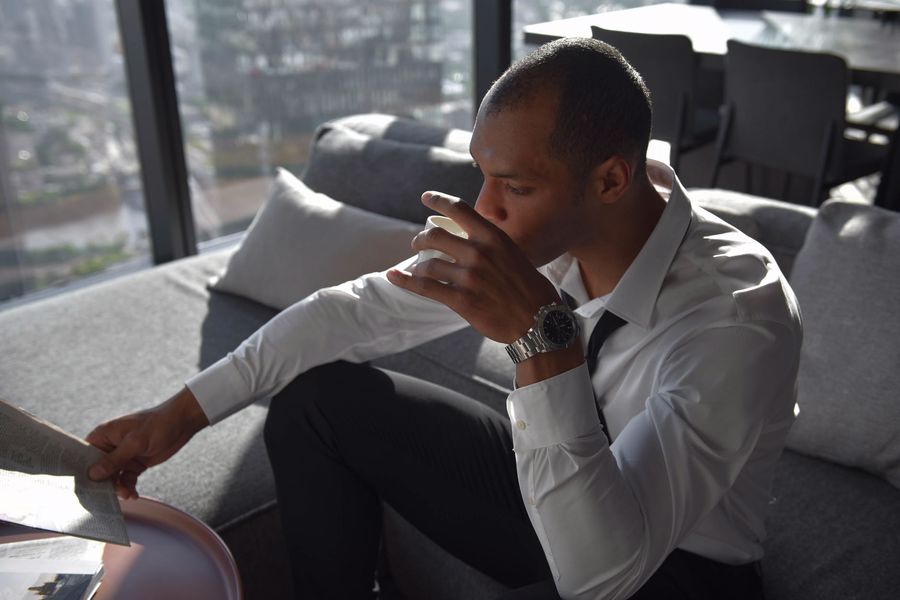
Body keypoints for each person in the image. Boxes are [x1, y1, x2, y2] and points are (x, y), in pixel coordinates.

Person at [85, 38, 802, 600]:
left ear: (611, 179)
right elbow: (352, 314)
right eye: (481, 175)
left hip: (668, 564)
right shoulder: (537, 231)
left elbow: (598, 576)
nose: (485, 210)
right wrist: (180, 413)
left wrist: (540, 342)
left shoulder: (735, 316)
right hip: (551, 484)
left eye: (513, 186)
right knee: (315, 403)